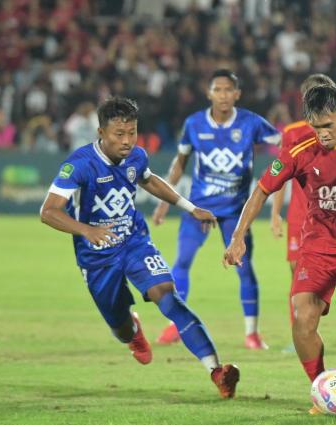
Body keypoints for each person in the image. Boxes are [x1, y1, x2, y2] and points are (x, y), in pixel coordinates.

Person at [39, 96, 239, 398]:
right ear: (101, 133)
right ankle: (132, 332)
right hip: (97, 258)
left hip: (134, 242)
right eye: (119, 134)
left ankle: (217, 370)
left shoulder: (137, 156)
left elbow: (148, 180)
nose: (127, 140)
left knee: (168, 298)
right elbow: (49, 211)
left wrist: (190, 207)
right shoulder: (78, 165)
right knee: (120, 327)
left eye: (132, 132)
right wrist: (86, 230)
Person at [224, 85, 336, 415]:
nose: (321, 134)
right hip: (317, 250)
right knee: (303, 319)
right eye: (315, 126)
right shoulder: (299, 151)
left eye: (328, 125)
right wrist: (238, 236)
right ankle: (324, 390)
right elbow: (262, 190)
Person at [151, 69, 280, 349]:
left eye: (228, 90)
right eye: (217, 90)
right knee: (181, 263)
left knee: (244, 269)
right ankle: (176, 325)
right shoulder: (194, 124)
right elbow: (180, 163)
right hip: (199, 209)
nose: (223, 95)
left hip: (236, 211)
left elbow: (284, 143)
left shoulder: (251, 123)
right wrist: (164, 202)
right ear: (209, 93)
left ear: (237, 94)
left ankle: (252, 333)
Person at [268, 74, 336, 350]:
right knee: (298, 277)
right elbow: (280, 174)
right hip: (301, 216)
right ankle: (299, 334)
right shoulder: (294, 132)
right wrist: (275, 213)